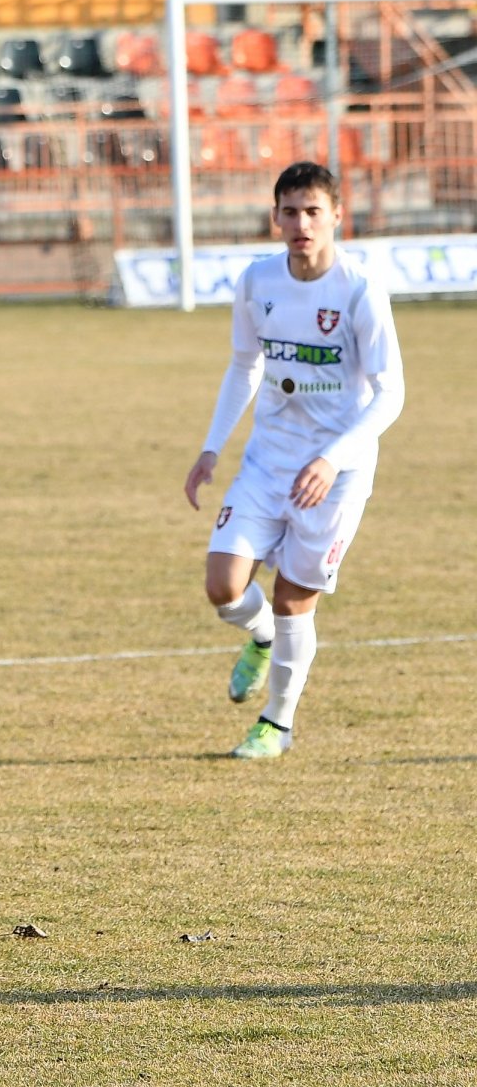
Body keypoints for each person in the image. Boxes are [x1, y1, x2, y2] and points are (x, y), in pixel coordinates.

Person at [184, 161, 404, 760]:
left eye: (313, 211)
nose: (301, 223)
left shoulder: (358, 289)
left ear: (337, 216)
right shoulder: (258, 282)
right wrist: (211, 448)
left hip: (335, 475)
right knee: (224, 586)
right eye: (290, 212)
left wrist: (332, 460)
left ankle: (275, 724)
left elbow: (392, 393)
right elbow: (243, 365)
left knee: (291, 601)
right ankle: (257, 641)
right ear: (274, 218)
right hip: (267, 461)